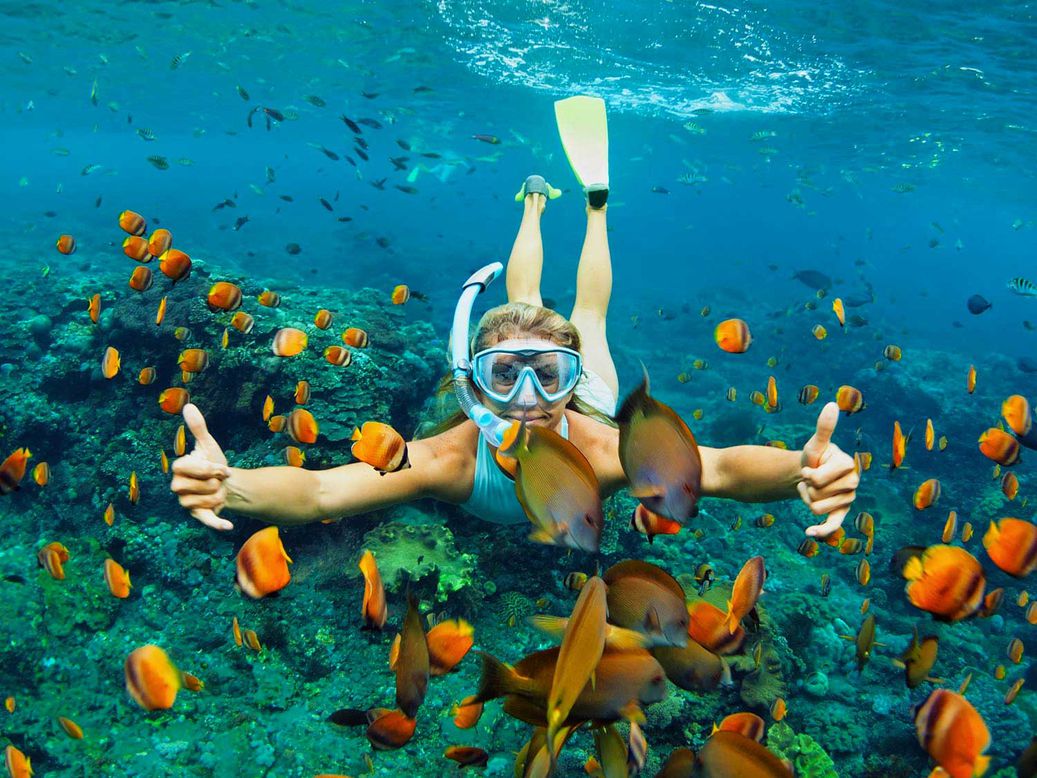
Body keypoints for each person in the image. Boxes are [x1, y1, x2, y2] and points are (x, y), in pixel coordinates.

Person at [171, 97, 858, 539]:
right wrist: (231, 485)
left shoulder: (601, 446)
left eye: (547, 373)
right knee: (528, 300)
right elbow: (322, 492)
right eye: (505, 375)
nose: (528, 398)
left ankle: (593, 207)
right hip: (543, 398)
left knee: (586, 311)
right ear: (475, 384)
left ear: (569, 377)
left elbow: (718, 471)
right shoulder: (449, 458)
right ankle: (532, 209)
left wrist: (803, 468)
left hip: (590, 405)